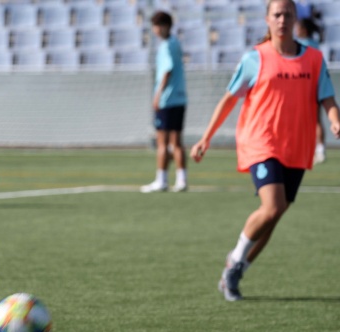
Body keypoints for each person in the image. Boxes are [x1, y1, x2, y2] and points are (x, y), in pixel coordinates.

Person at [190, 0, 339, 302]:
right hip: (261, 142)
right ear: (267, 19)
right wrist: (206, 137)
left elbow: (327, 99)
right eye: (277, 14)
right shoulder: (255, 59)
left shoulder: (313, 59)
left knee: (276, 213)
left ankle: (237, 268)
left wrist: (335, 121)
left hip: (296, 146)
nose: (282, 19)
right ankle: (235, 261)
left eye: (288, 14)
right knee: (272, 207)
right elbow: (229, 100)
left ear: (296, 19)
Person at [141, 11, 188, 193]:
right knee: (176, 142)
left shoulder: (166, 46)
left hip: (167, 99)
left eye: (156, 26)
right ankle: (182, 179)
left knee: (162, 143)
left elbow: (166, 71)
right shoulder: (176, 43)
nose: (155, 30)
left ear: (165, 26)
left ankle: (161, 179)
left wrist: (158, 94)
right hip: (180, 97)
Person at [295, 17, 327, 164]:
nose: (295, 30)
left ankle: (309, 149)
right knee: (317, 120)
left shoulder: (300, 46)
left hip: (305, 87)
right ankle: (320, 150)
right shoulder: (315, 45)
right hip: (318, 86)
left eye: (298, 27)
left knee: (307, 120)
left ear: (304, 30)